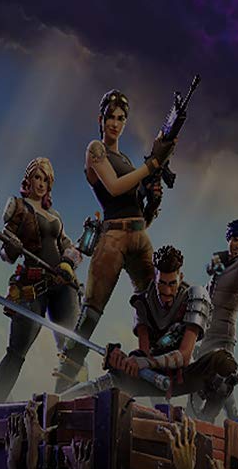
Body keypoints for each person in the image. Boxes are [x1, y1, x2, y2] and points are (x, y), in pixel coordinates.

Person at [54, 90, 174, 389]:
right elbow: (115, 187)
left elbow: (140, 212)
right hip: (113, 238)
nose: (115, 123)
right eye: (111, 117)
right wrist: (151, 166)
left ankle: (155, 377)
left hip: (139, 236)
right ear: (101, 118)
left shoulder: (126, 159)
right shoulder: (97, 150)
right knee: (91, 313)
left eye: (121, 118)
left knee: (154, 310)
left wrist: (153, 199)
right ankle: (61, 388)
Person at [0, 157, 79, 402]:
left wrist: (69, 262)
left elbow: (68, 245)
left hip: (62, 284)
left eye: (45, 179)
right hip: (32, 286)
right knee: (16, 352)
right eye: (37, 177)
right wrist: (11, 247)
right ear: (28, 180)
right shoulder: (18, 208)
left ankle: (72, 404)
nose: (41, 183)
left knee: (72, 352)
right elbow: (5, 254)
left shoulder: (55, 215)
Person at [102, 245, 231, 400]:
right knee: (115, 376)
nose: (167, 291)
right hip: (153, 375)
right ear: (154, 279)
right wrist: (125, 361)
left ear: (180, 277)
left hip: (183, 374)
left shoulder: (194, 297)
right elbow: (144, 353)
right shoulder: (143, 301)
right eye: (161, 283)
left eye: (172, 284)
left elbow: (184, 356)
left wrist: (144, 362)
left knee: (218, 361)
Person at [189, 219, 238, 422]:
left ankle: (213, 423)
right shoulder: (221, 261)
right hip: (207, 332)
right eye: (234, 239)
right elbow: (210, 276)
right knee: (205, 384)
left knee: (220, 385)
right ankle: (231, 418)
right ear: (228, 239)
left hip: (224, 336)